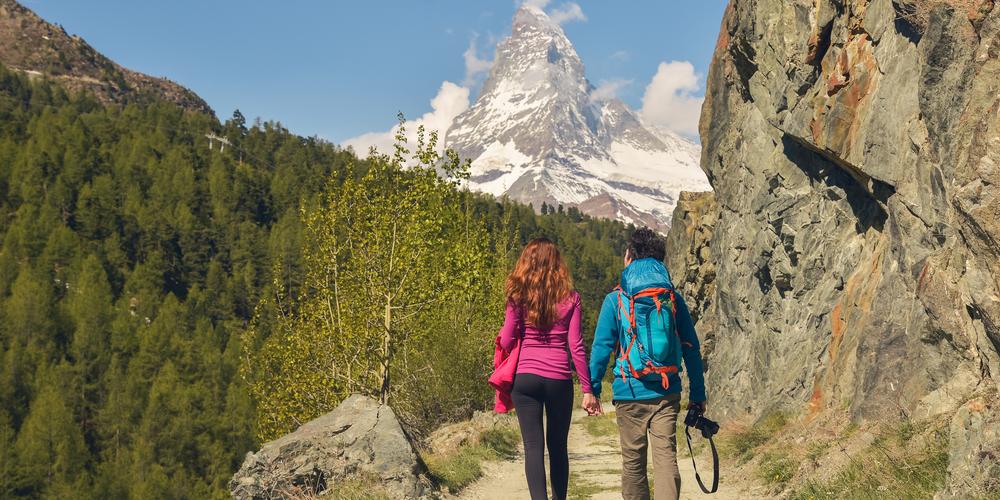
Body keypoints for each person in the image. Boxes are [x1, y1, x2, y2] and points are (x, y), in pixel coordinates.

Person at [583, 228, 707, 500]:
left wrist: (590, 390)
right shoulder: (671, 297)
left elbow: (602, 348)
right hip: (666, 391)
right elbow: (691, 349)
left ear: (630, 256)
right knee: (665, 458)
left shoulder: (615, 299)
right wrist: (698, 395)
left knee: (633, 462)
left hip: (629, 392)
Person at [499, 237, 594, 500]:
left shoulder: (517, 296)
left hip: (525, 378)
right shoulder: (571, 298)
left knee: (532, 447)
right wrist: (588, 389)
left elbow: (506, 339)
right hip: (559, 379)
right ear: (557, 264)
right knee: (558, 447)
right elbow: (575, 345)